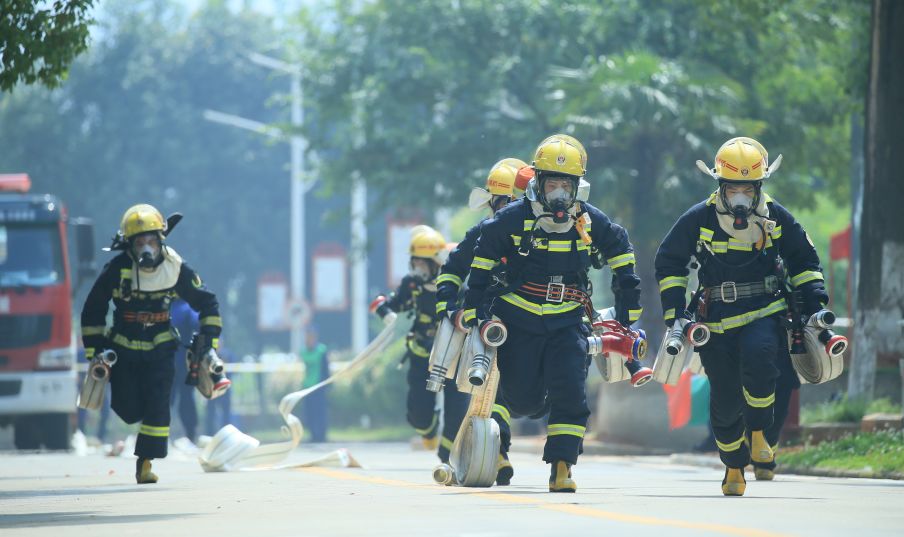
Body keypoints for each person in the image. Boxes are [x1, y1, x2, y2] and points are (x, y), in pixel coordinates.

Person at [461, 136, 642, 492]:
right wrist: (475, 312)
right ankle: (532, 401)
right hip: (517, 320)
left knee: (572, 392)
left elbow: (621, 253)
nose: (559, 193)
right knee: (523, 399)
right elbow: (480, 270)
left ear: (577, 186)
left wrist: (628, 310)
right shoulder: (510, 220)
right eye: (552, 184)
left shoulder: (590, 220)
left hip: (567, 321)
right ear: (537, 184)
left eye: (565, 185)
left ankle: (562, 467)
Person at [655, 137, 829, 496]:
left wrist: (815, 303)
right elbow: (669, 262)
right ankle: (733, 466)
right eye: (733, 188)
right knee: (724, 400)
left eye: (747, 189)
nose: (740, 197)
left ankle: (761, 434)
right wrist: (675, 314)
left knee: (762, 360)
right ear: (720, 186)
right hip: (715, 320)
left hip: (764, 311)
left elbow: (805, 262)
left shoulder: (776, 218)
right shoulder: (698, 218)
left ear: (758, 187)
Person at [80, 204, 223, 484]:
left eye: (151, 241)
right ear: (130, 245)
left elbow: (208, 302)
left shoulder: (176, 267)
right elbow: (92, 309)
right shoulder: (118, 269)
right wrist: (94, 351)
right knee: (128, 408)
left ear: (161, 240)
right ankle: (140, 435)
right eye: (140, 242)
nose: (146, 247)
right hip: (123, 347)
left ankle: (145, 463)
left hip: (162, 347)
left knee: (159, 405)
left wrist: (207, 344)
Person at [435, 156, 530, 485]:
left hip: (540, 325)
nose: (504, 210)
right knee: (495, 389)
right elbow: (451, 271)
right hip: (492, 322)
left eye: (512, 202)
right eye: (500, 203)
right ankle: (499, 450)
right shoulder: (481, 234)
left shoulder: (546, 236)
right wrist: (450, 308)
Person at [372, 226, 469, 464]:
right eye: (414, 262)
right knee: (417, 413)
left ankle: (447, 457)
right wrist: (383, 309)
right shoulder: (412, 285)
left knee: (457, 410)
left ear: (436, 262)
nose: (416, 268)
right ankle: (428, 429)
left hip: (453, 355)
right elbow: (394, 303)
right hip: (422, 354)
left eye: (421, 263)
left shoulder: (456, 286)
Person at [170, 298, 199, 443]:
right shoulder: (187, 308)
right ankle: (190, 435)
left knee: (164, 401)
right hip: (184, 364)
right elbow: (198, 323)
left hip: (165, 364)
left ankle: (158, 437)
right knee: (187, 401)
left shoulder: (162, 306)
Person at [300, 328, 330, 442]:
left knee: (320, 412)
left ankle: (322, 436)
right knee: (310, 413)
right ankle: (313, 435)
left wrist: (327, 384)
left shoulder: (321, 350)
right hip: (308, 386)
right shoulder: (304, 351)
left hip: (319, 386)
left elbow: (326, 369)